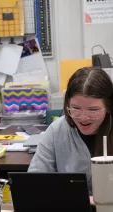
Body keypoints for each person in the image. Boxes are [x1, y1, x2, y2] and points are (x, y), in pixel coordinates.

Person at [28, 67, 113, 206]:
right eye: (76, 108)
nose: (83, 118)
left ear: (109, 106)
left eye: (93, 110)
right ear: (67, 104)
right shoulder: (57, 131)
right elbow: (33, 184)